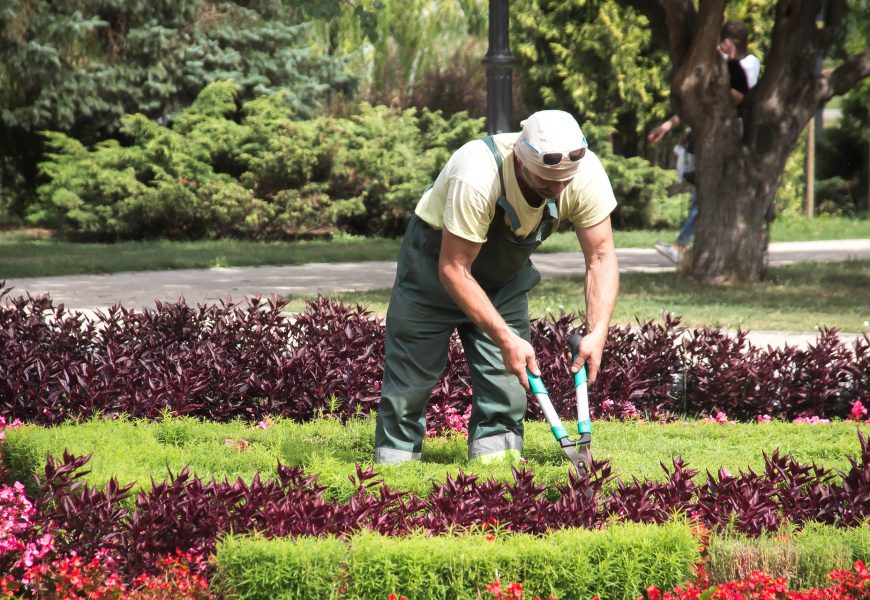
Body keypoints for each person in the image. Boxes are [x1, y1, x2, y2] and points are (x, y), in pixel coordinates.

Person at [374, 110, 619, 464]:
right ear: (521, 160)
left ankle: (496, 477)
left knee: (507, 386)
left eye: (565, 181)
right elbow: (454, 268)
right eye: (547, 180)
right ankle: (394, 477)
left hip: (503, 281)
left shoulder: (583, 173)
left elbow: (600, 256)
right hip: (433, 272)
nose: (558, 189)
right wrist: (505, 337)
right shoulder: (478, 173)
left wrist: (597, 332)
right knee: (410, 385)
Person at [650, 20, 756, 265]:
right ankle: (685, 245)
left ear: (730, 42)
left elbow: (737, 97)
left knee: (708, 196)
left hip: (731, 139)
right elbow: (700, 103)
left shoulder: (747, 65)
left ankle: (682, 245)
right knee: (704, 193)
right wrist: (667, 126)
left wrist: (729, 61)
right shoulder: (721, 66)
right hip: (708, 140)